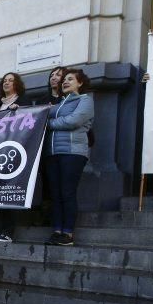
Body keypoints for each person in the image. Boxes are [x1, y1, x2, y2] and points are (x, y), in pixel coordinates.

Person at [45, 69, 94, 246]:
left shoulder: (85, 100)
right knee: (56, 194)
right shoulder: (59, 104)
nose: (65, 82)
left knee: (67, 192)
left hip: (73, 153)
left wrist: (49, 124)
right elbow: (41, 115)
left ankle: (68, 233)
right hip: (53, 153)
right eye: (64, 79)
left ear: (80, 83)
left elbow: (74, 121)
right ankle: (57, 231)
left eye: (70, 79)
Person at [0, 73, 31, 243]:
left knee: (9, 191)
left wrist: (19, 111)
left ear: (17, 83)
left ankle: (7, 231)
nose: (7, 83)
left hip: (14, 150)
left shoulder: (23, 100)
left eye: (10, 80)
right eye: (4, 80)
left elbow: (29, 118)